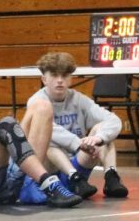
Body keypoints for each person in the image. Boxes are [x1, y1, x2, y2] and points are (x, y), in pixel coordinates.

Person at [21, 52, 128, 199]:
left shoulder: (78, 99)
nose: (60, 81)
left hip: (79, 160)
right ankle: (73, 177)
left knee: (103, 131)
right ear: (44, 79)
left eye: (64, 76)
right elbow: (51, 131)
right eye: (54, 75)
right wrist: (78, 143)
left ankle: (111, 177)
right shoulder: (36, 102)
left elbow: (113, 120)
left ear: (70, 78)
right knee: (47, 141)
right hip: (51, 169)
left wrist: (98, 138)